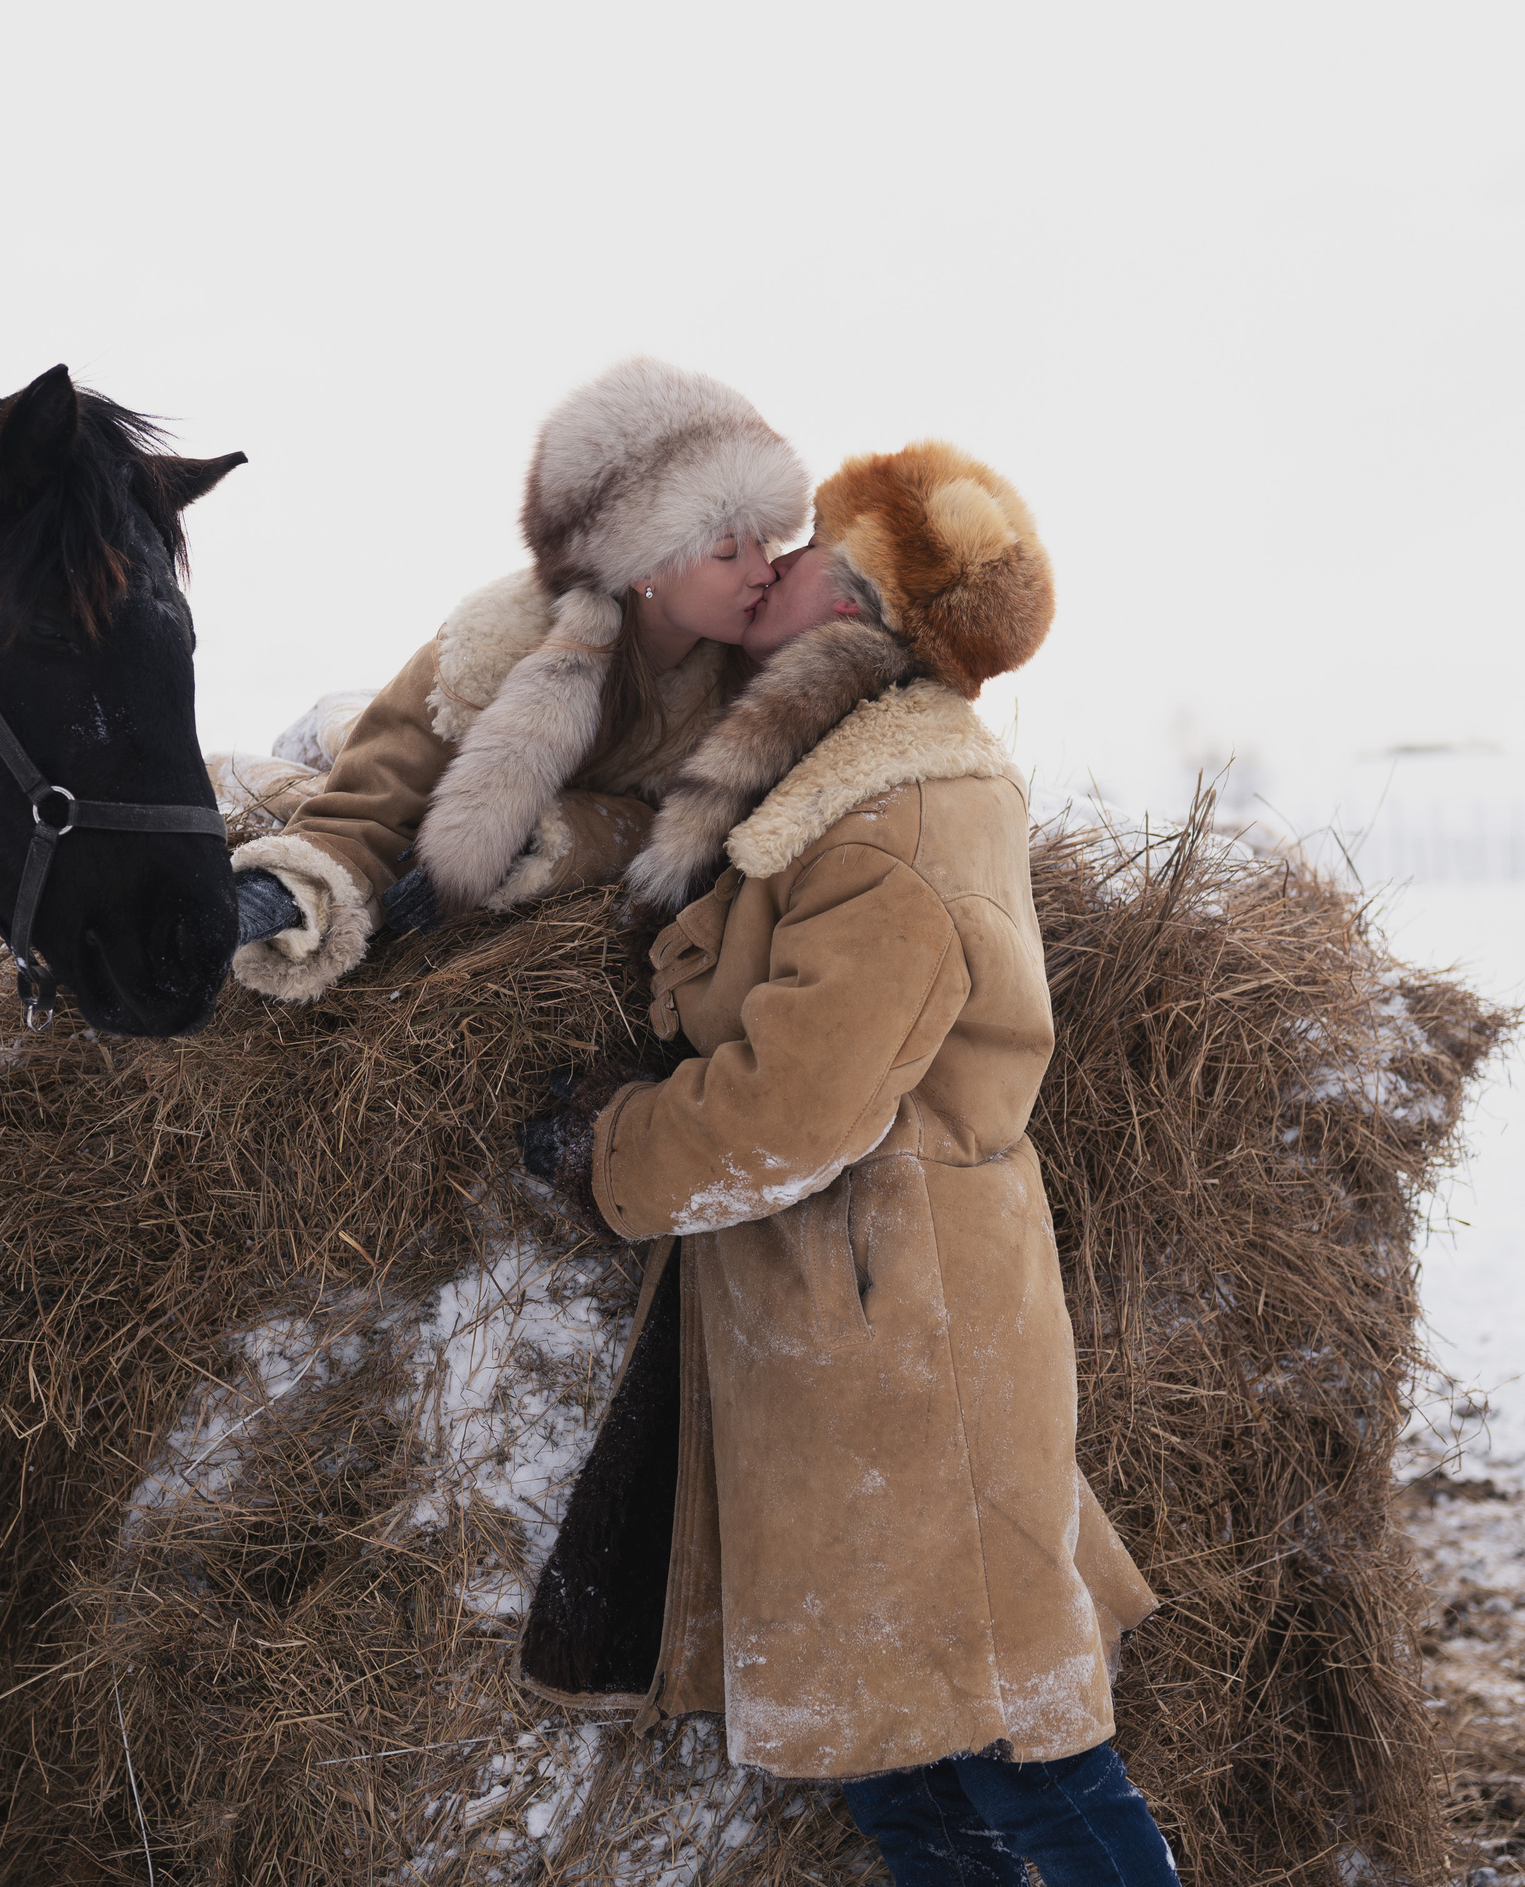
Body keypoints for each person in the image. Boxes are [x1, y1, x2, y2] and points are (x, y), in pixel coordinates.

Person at [515, 443, 1177, 1884]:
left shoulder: (904, 815)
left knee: (1027, 1754)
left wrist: (607, 1146)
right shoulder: (827, 779)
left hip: (907, 1343)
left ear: (859, 602)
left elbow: (788, 1112)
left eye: (816, 542)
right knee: (902, 1773)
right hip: (851, 1333)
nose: (778, 552)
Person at [224, 356, 809, 1001]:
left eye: (764, 542)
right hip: (397, 729)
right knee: (289, 770)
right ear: (641, 564)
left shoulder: (743, 677)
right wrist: (276, 895)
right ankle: (303, 730)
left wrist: (553, 834)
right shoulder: (488, 654)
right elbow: (368, 810)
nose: (762, 571)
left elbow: (679, 828)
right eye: (728, 551)